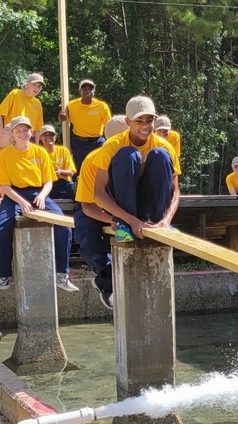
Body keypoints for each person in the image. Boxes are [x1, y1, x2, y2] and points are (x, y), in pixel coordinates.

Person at [0, 116, 78, 293]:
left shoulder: (40, 152)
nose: (22, 134)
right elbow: (3, 185)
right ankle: (1, 277)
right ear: (12, 134)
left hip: (38, 193)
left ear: (31, 132)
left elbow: (49, 181)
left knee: (63, 225)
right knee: (0, 229)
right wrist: (21, 202)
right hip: (13, 195)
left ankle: (61, 275)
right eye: (18, 130)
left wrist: (42, 196)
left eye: (25, 130)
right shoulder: (5, 155)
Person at [88, 95, 181, 245]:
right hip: (124, 207)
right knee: (128, 154)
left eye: (149, 121)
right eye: (139, 121)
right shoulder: (113, 145)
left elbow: (175, 191)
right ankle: (124, 225)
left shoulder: (164, 146)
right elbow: (98, 193)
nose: (145, 126)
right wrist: (131, 220)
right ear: (128, 122)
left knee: (161, 155)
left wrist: (167, 219)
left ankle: (159, 221)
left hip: (149, 205)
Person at [72, 115, 128, 310]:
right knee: (87, 238)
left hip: (122, 206)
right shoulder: (92, 161)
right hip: (93, 207)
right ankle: (105, 279)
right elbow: (88, 206)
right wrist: (111, 218)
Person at [57, 79, 110, 173]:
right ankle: (78, 186)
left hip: (97, 142)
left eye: (90, 88)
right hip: (79, 143)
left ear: (94, 91)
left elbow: (109, 126)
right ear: (80, 91)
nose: (87, 91)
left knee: (99, 168)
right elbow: (64, 118)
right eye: (84, 89)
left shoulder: (102, 107)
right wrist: (61, 117)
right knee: (79, 169)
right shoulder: (71, 105)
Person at [0, 73, 45, 139]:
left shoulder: (37, 103)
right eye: (34, 85)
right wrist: (2, 135)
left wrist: (36, 145)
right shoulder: (15, 94)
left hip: (29, 138)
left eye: (39, 86)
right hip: (13, 136)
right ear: (27, 83)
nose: (36, 88)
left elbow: (38, 129)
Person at [37, 124, 77, 199]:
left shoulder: (63, 151)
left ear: (55, 137)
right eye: (45, 135)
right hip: (46, 183)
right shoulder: (38, 153)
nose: (48, 137)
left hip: (64, 183)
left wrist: (60, 172)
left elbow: (71, 172)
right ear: (40, 138)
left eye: (51, 135)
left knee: (78, 196)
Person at [153, 115, 181, 190]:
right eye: (160, 130)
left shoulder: (175, 137)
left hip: (169, 164)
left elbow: (175, 157)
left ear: (170, 129)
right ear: (155, 130)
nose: (162, 133)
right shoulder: (151, 138)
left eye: (165, 131)